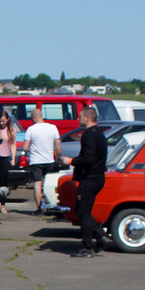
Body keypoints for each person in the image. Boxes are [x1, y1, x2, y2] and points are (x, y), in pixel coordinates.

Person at [62, 106, 109, 257]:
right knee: (82, 211)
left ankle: (88, 247)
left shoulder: (89, 134)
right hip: (97, 177)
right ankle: (99, 236)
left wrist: (71, 161)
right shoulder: (99, 134)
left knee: (83, 212)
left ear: (88, 118)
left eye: (81, 116)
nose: (79, 119)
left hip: (91, 178)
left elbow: (88, 159)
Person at [23, 107, 60, 213]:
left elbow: (25, 147)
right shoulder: (53, 127)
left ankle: (39, 208)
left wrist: (30, 150)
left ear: (34, 117)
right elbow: (58, 145)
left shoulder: (31, 129)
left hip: (36, 160)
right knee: (49, 184)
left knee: (37, 184)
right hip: (49, 160)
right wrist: (59, 156)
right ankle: (52, 205)